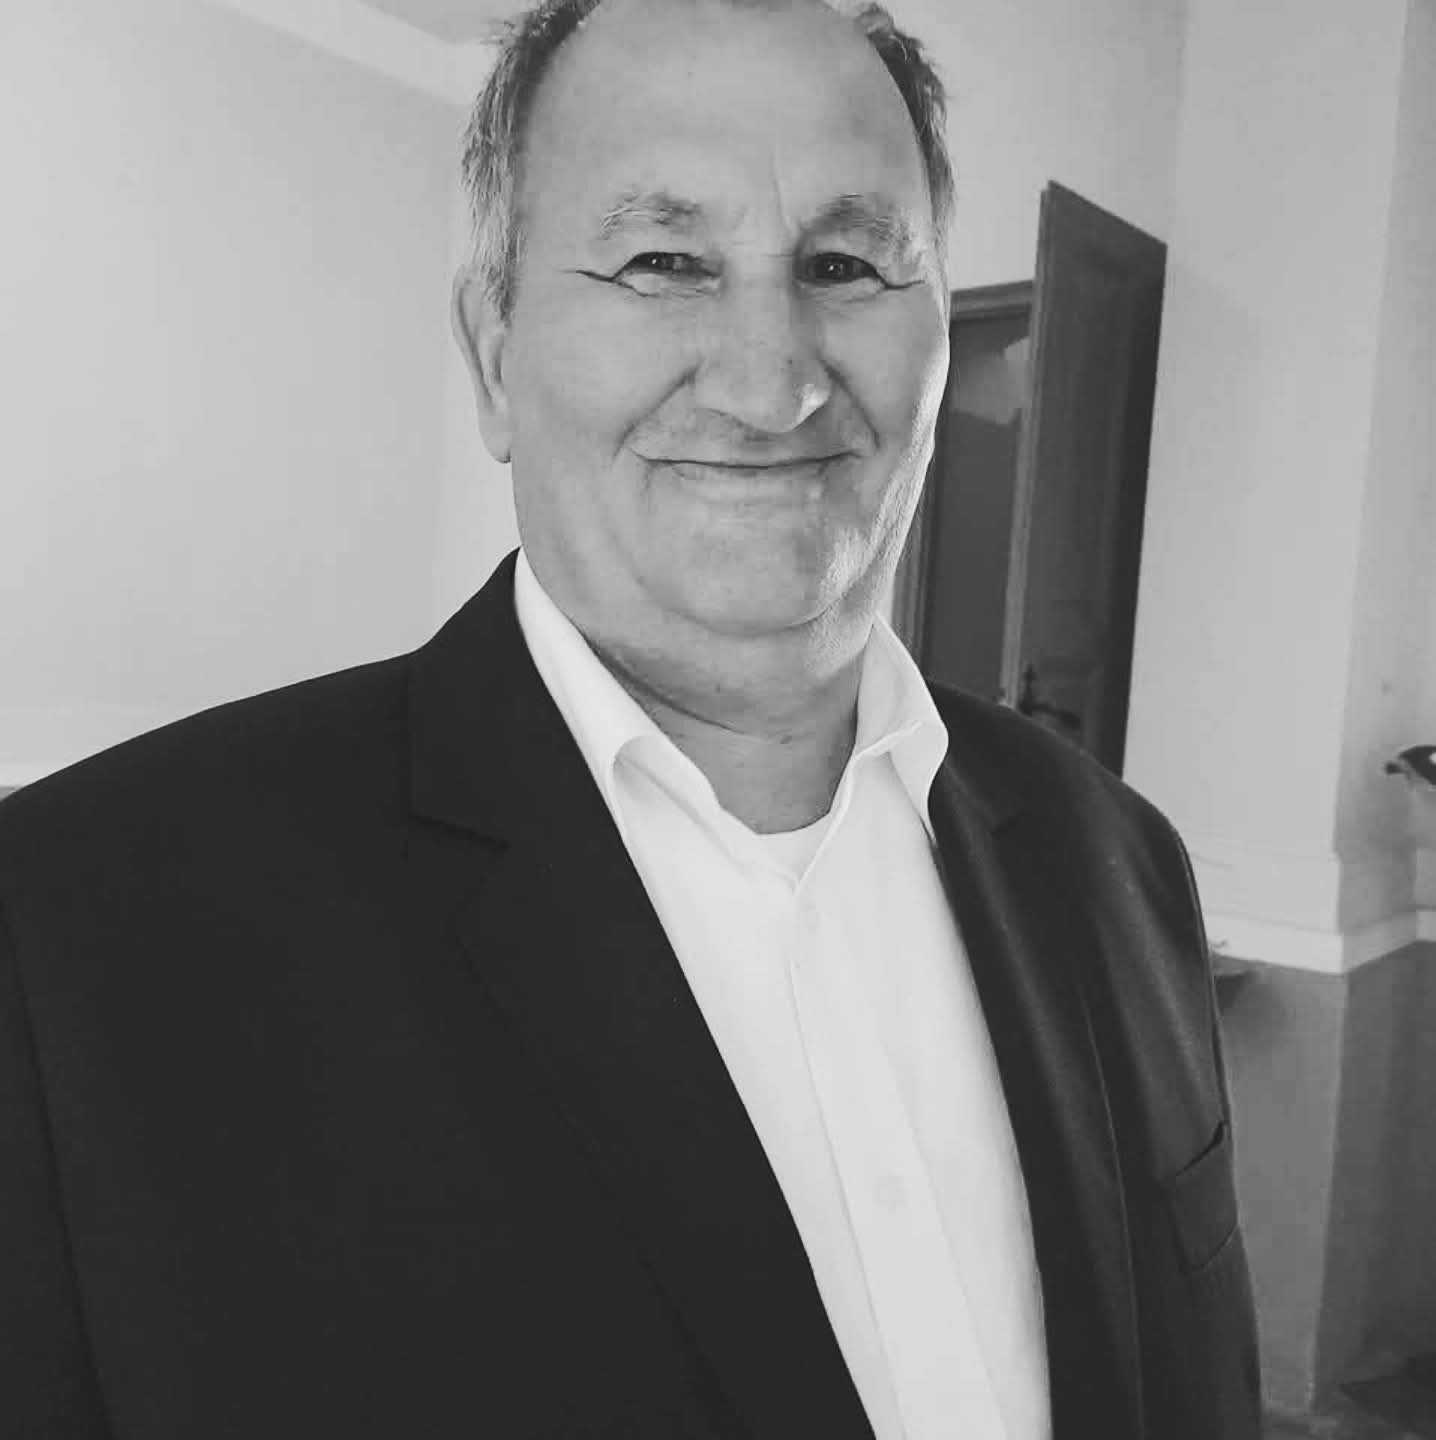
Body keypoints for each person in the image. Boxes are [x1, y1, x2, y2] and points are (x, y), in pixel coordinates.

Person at [0, 0, 1260, 1435]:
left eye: (845, 264)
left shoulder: (1119, 864)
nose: (772, 384)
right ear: (493, 355)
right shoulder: (81, 937)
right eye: (664, 262)